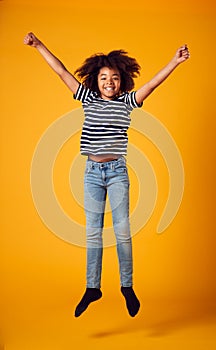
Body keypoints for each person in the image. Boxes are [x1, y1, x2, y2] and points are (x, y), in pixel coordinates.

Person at [24, 32, 190, 318]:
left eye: (114, 77)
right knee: (93, 232)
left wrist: (175, 62)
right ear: (95, 80)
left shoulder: (128, 102)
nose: (109, 82)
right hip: (91, 173)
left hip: (116, 173)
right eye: (103, 77)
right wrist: (39, 46)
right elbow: (61, 70)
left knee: (123, 231)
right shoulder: (87, 98)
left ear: (121, 80)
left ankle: (127, 286)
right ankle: (93, 287)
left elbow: (152, 83)